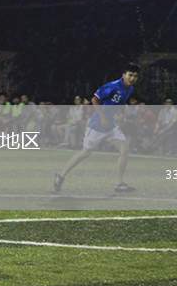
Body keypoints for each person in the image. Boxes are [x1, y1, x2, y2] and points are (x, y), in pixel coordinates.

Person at [53, 63, 140, 193]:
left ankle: (119, 183)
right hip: (97, 126)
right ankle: (61, 175)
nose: (132, 78)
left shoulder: (130, 89)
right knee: (85, 153)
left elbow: (119, 103)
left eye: (135, 76)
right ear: (124, 75)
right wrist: (102, 117)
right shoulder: (112, 86)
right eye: (130, 75)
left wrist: (120, 114)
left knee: (124, 149)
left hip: (111, 126)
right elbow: (94, 100)